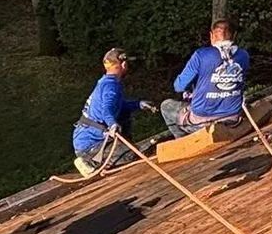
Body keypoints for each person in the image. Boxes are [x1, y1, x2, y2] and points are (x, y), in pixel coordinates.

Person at [71, 48, 150, 177]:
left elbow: (118, 105)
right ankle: (90, 161)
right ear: (123, 65)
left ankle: (117, 149)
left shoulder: (107, 82)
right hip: (90, 146)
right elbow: (106, 111)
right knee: (131, 154)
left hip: (88, 139)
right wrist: (112, 124)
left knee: (125, 114)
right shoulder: (110, 87)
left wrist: (138, 104)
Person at [164, 20, 250, 137]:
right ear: (234, 36)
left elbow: (179, 86)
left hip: (201, 121)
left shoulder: (201, 55)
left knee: (166, 106)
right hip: (233, 117)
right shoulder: (243, 55)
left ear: (211, 35)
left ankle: (183, 141)